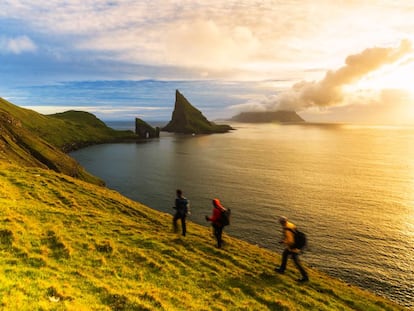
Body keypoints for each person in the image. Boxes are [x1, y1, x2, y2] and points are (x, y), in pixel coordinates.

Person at [275, 216, 309, 282]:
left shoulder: (287, 229)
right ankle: (282, 269)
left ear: (281, 222)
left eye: (280, 222)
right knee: (285, 254)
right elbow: (293, 235)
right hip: (296, 244)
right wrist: (284, 240)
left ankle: (305, 277)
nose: (280, 223)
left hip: (294, 247)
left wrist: (286, 243)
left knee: (296, 262)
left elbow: (290, 241)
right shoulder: (290, 224)